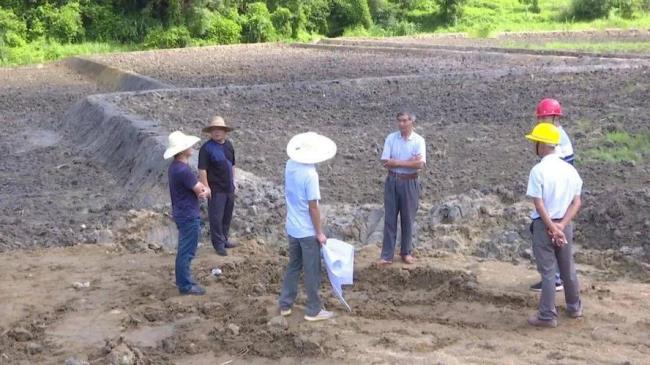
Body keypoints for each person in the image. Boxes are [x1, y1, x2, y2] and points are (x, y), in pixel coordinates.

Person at [524, 123, 583, 328]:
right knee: (567, 268)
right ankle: (574, 306)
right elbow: (577, 202)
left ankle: (547, 315)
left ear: (542, 144)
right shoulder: (570, 170)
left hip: (544, 226)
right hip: (565, 225)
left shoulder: (538, 171)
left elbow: (538, 203)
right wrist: (562, 226)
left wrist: (550, 226)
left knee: (548, 271)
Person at [278, 132, 337, 322]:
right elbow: (313, 207)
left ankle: (285, 304)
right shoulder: (310, 175)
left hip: (292, 227)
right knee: (312, 270)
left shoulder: (289, 165)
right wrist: (319, 232)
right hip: (306, 231)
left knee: (294, 265)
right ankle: (313, 310)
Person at [530, 98, 574, 292]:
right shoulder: (557, 133)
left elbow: (562, 168)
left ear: (554, 117)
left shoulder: (556, 137)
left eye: (543, 117)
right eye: (540, 118)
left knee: (548, 233)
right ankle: (561, 281)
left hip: (555, 194)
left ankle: (555, 279)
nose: (540, 121)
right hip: (559, 192)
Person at [164, 131, 210, 296]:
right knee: (187, 250)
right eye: (188, 146)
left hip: (182, 212)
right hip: (189, 214)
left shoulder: (174, 168)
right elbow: (200, 190)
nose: (191, 148)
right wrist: (206, 190)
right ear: (182, 150)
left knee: (185, 249)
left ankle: (184, 280)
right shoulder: (183, 171)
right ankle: (185, 285)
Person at [379, 111, 426, 265]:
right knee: (390, 219)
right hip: (392, 181)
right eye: (399, 121)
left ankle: (406, 252)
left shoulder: (419, 141)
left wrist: (397, 162)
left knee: (408, 218)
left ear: (412, 121)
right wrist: (408, 162)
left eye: (405, 121)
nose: (401, 124)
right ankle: (387, 255)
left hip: (410, 183)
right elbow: (386, 162)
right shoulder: (391, 138)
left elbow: (420, 164)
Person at [198, 116, 238, 256]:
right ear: (210, 132)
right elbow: (202, 170)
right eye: (214, 130)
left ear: (225, 131)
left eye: (219, 129)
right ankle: (218, 244)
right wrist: (206, 187)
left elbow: (232, 164)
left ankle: (224, 238)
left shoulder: (229, 145)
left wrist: (234, 181)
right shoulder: (206, 148)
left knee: (227, 215)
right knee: (216, 217)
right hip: (216, 189)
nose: (217, 132)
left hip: (229, 188)